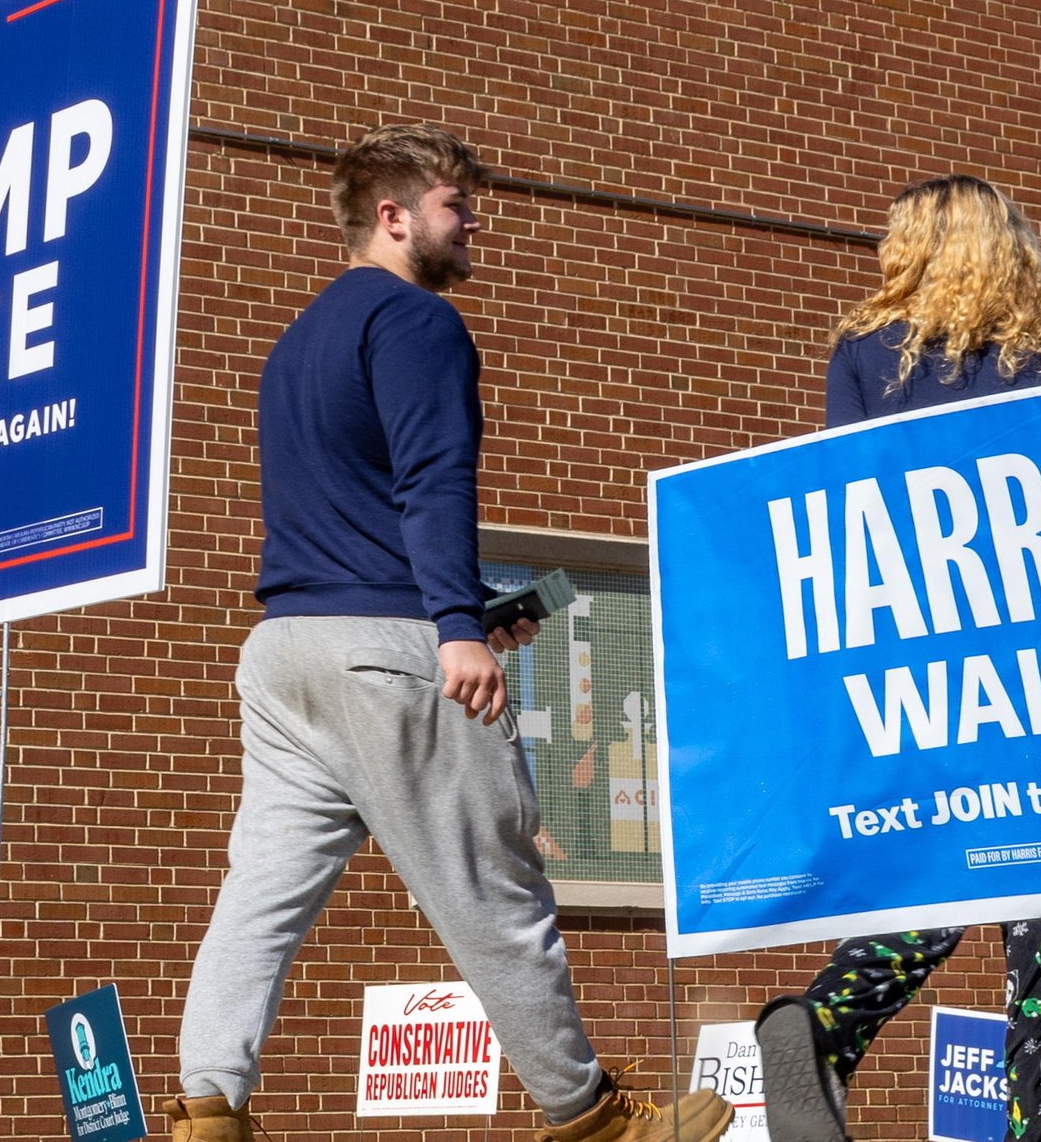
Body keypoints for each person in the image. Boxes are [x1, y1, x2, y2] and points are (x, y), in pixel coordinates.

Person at [166, 123, 734, 1142]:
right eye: (452, 205)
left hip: (286, 651)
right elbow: (433, 480)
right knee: (492, 882)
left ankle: (207, 1106)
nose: (472, 222)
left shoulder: (294, 343)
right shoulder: (416, 322)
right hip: (386, 654)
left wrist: (464, 603)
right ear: (392, 216)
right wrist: (455, 628)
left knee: (259, 892)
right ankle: (589, 1116)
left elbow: (354, 508)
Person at [753, 175, 1041, 1142]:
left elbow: (842, 514)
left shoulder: (864, 358)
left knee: (936, 880)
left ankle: (827, 1021)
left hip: (921, 684)